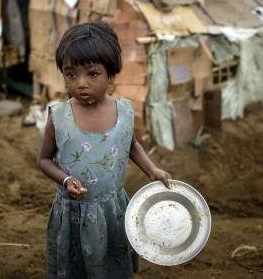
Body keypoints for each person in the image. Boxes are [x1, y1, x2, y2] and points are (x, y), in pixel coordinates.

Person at [38, 22, 171, 278]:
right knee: (75, 266)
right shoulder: (59, 117)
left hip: (112, 210)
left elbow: (131, 145)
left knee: (111, 263)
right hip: (73, 214)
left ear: (111, 75)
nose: (81, 84)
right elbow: (43, 160)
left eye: (92, 74)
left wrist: (152, 170)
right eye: (71, 75)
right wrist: (65, 180)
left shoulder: (124, 112)